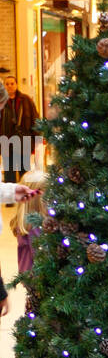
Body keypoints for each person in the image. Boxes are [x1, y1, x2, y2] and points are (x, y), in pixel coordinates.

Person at [0, 178, 38, 316]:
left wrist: (9, 192)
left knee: (18, 160)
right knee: (16, 160)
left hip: (29, 278)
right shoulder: (34, 226)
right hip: (36, 279)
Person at [1, 75, 38, 182]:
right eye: (7, 84)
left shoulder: (26, 100)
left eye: (12, 83)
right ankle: (12, 197)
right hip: (7, 143)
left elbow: (34, 119)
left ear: (16, 85)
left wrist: (37, 140)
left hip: (24, 141)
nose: (10, 86)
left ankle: (25, 197)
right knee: (9, 175)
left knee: (25, 174)